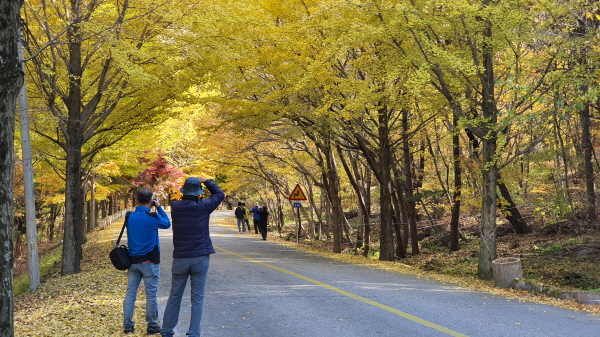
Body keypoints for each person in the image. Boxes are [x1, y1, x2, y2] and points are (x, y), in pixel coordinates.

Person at [161, 177, 225, 337]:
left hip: (180, 258)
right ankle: (194, 332)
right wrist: (207, 180)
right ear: (198, 193)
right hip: (200, 257)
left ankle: (167, 330)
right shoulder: (202, 207)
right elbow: (220, 194)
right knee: (197, 297)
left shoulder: (175, 206)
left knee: (175, 295)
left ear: (183, 191)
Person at [123, 188, 171, 335]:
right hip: (149, 262)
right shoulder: (152, 217)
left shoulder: (129, 217)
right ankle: (152, 325)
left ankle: (128, 325)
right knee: (151, 295)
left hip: (133, 261)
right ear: (151, 200)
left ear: (136, 200)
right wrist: (159, 207)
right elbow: (167, 223)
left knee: (131, 294)